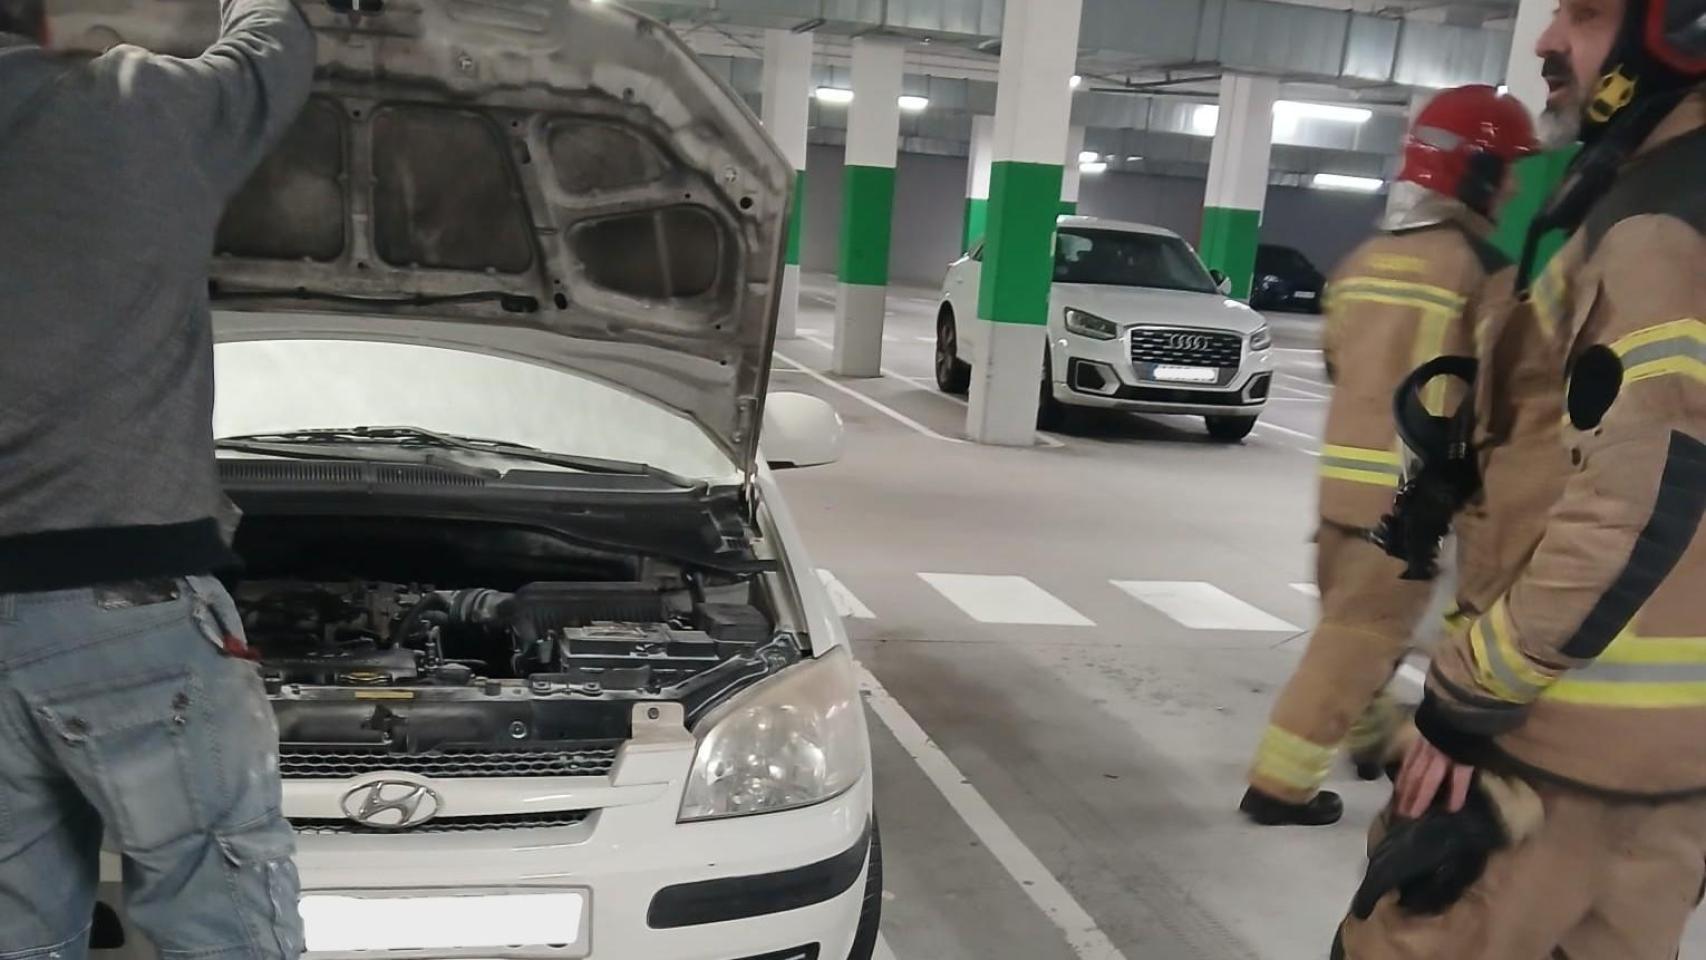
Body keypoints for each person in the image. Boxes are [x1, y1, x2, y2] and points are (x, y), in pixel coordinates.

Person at [1337, 0, 1706, 951]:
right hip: (1670, 770)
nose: (1545, 43)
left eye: (1582, 14)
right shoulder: (1640, 196)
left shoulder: (1657, 224)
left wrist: (1465, 703)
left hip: (1544, 755)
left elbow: (1637, 501)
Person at [0, 2, 315, 958]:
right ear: (43, 23)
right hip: (122, 610)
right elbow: (275, 50)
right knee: (224, 933)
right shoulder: (126, 107)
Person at [1241, 86, 1540, 827]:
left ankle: (1378, 742)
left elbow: (1341, 363)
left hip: (1340, 491)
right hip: (1413, 500)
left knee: (1351, 627)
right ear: (1472, 174)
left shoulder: (1361, 261)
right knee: (1362, 638)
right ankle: (1281, 786)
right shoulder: (1483, 270)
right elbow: (1502, 395)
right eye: (1504, 169)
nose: (1512, 186)